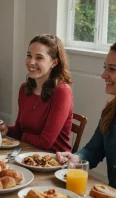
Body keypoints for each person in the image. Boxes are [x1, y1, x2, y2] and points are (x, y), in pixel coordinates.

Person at [0, 34, 73, 152]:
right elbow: (19, 130)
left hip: (55, 163)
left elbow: (45, 142)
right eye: (29, 56)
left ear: (54, 62)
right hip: (27, 155)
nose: (31, 62)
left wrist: (23, 135)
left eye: (39, 58)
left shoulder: (62, 92)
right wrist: (4, 129)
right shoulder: (25, 89)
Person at [56, 42, 116, 188]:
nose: (103, 75)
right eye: (105, 68)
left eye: (112, 69)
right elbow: (93, 149)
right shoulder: (110, 111)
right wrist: (76, 158)